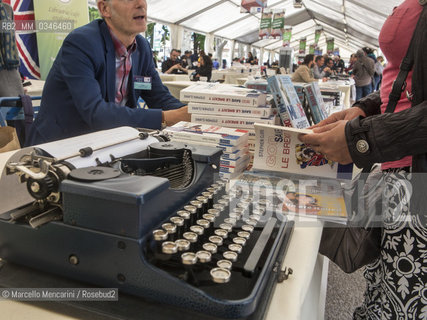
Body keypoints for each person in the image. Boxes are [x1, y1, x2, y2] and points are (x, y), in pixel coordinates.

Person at [299, 0, 426, 318]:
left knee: (405, 300)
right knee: (384, 287)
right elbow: (407, 81)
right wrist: (367, 108)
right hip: (402, 168)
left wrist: (361, 140)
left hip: (417, 177)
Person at [27, 0, 190, 146]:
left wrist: (196, 115)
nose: (141, 4)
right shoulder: (81, 43)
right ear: (105, 8)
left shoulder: (141, 48)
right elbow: (96, 113)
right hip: (60, 147)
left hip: (108, 143)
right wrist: (166, 118)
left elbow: (156, 96)